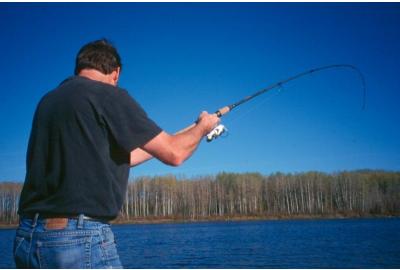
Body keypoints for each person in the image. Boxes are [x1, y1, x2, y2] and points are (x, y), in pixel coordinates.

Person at [14, 39, 220, 269]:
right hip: (78, 240)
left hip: (27, 238)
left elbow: (124, 157)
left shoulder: (48, 101)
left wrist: (178, 136)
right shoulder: (108, 95)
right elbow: (175, 154)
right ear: (116, 73)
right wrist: (204, 126)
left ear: (80, 67)